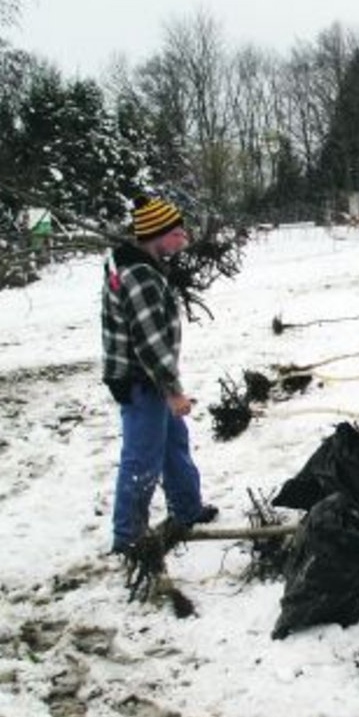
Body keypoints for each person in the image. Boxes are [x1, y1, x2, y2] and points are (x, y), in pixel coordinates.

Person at [101, 195, 216, 555]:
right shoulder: (140, 277)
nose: (183, 240)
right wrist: (172, 391)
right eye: (177, 233)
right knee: (142, 458)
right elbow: (150, 344)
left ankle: (187, 510)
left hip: (151, 379)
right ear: (155, 235)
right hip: (142, 381)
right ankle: (128, 535)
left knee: (173, 446)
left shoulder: (142, 268)